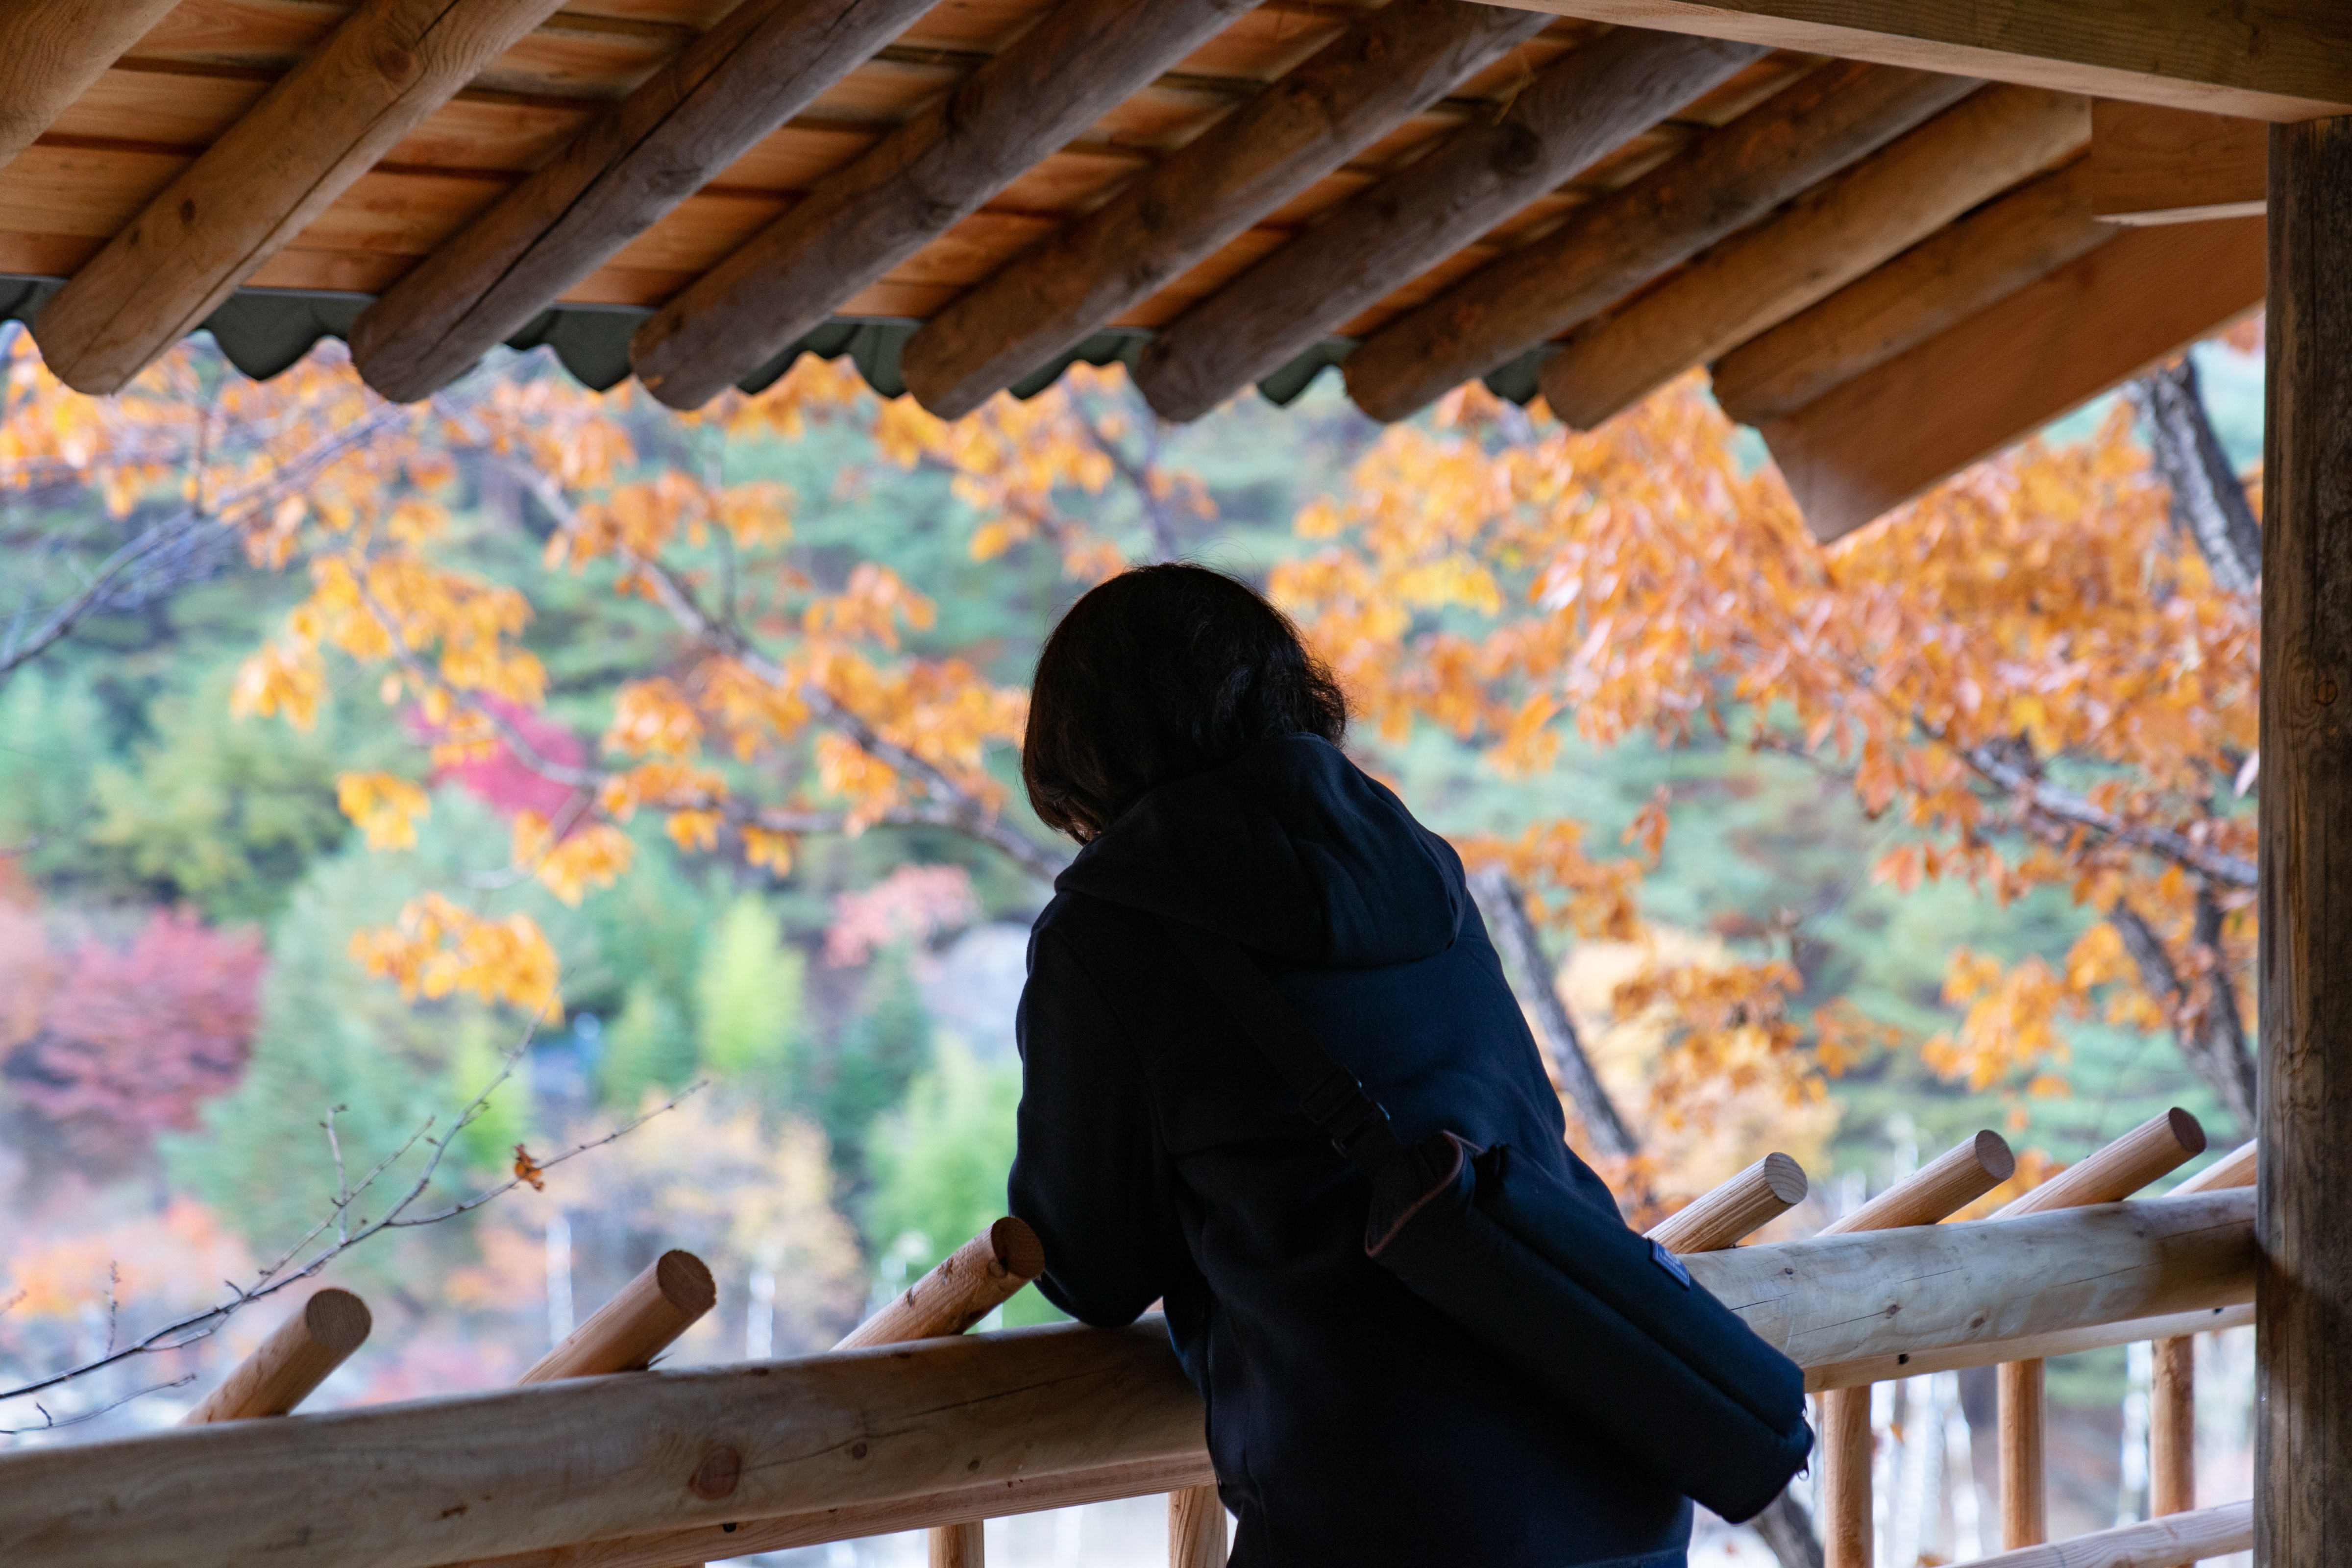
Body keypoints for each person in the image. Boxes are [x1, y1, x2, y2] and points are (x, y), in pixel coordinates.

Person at [1009, 564, 1692, 1567]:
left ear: (1086, 752)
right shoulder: (1420, 864)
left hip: (1383, 1511)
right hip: (1611, 1460)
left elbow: (1091, 1266)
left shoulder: (1107, 932)